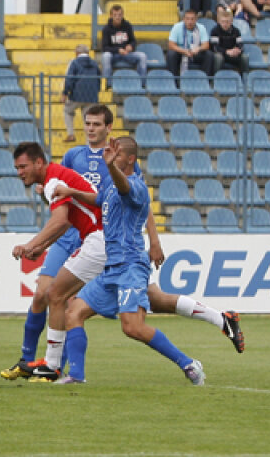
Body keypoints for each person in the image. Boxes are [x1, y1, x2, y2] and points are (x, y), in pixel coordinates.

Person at [51, 138, 207, 386]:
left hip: (131, 266)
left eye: (117, 153)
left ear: (131, 159)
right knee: (74, 313)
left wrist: (111, 167)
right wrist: (71, 192)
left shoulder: (136, 186)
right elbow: (98, 199)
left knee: (132, 327)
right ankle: (76, 376)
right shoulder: (110, 183)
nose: (110, 155)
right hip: (111, 267)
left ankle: (188, 363)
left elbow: (124, 189)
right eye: (110, 151)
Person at [3, 142, 103, 381]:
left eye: (23, 166)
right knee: (145, 309)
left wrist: (30, 245)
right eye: (17, 168)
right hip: (103, 238)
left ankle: (52, 364)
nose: (19, 173)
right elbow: (68, 221)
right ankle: (53, 364)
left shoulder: (52, 182)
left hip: (100, 239)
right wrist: (40, 247)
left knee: (55, 294)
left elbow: (59, 220)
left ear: (39, 162)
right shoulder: (56, 177)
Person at [99, 4, 148, 86]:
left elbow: (133, 41)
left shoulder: (127, 25)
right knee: (106, 56)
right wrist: (118, 50)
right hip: (114, 55)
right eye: (115, 15)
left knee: (142, 56)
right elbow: (105, 47)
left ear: (122, 15)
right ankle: (107, 84)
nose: (117, 17)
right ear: (111, 16)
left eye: (119, 15)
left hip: (127, 54)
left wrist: (130, 46)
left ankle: (141, 84)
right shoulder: (106, 29)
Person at [60, 46, 100, 143]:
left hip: (77, 95)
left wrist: (65, 93)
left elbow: (69, 79)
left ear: (77, 53)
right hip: (91, 96)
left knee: (67, 111)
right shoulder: (95, 63)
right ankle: (88, 143)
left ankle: (70, 134)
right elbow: (99, 79)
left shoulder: (75, 63)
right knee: (87, 119)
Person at [165, 9, 213, 78]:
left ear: (196, 19)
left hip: (195, 52)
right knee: (171, 54)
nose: (190, 21)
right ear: (184, 19)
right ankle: (174, 81)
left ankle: (204, 80)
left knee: (209, 54)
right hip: (181, 52)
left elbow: (206, 45)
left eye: (192, 19)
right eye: (187, 19)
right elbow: (171, 45)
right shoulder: (177, 27)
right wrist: (184, 51)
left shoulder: (201, 27)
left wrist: (198, 48)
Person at [209, 6, 249, 73]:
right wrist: (226, 51)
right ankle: (215, 79)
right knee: (218, 57)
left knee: (244, 57)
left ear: (231, 22)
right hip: (221, 54)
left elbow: (241, 45)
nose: (225, 24)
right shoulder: (215, 31)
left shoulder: (236, 31)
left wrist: (237, 50)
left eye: (227, 22)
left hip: (233, 54)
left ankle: (245, 79)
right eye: (223, 22)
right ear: (219, 21)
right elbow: (214, 47)